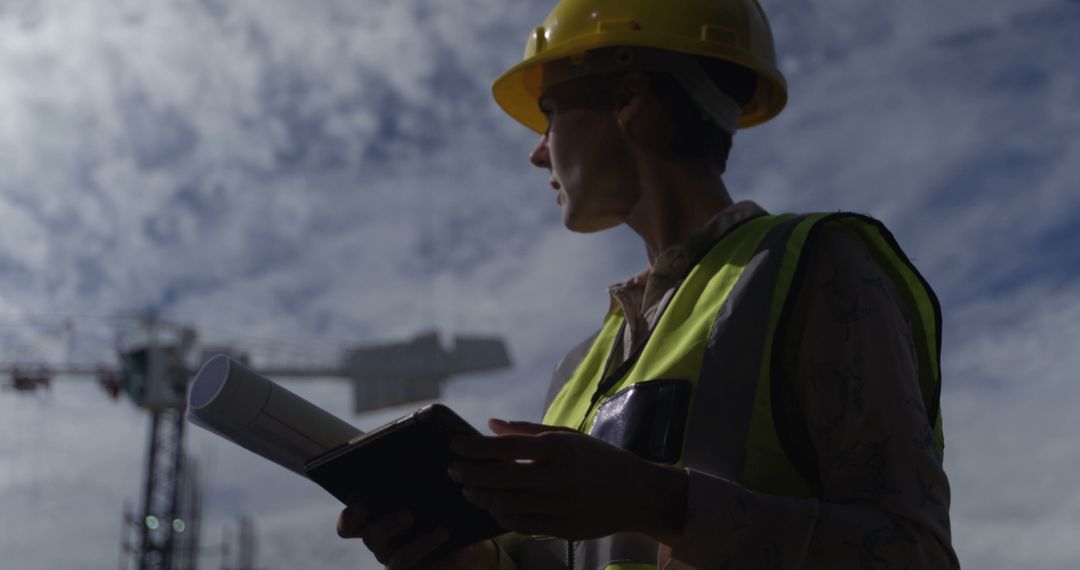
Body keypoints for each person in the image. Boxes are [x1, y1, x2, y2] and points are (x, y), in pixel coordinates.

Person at [337, 0, 959, 568]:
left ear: (628, 97)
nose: (536, 152)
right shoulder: (580, 367)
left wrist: (658, 503)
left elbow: (914, 551)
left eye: (550, 112)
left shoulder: (816, 266)